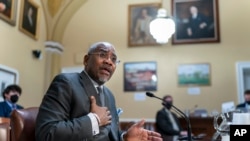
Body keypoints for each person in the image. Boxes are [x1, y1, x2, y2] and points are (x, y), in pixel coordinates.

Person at [35, 41, 162, 141]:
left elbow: (109, 135)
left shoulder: (109, 95)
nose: (109, 62)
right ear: (86, 60)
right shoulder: (66, 83)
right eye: (102, 55)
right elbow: (46, 133)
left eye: (113, 59)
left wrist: (125, 137)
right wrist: (94, 120)